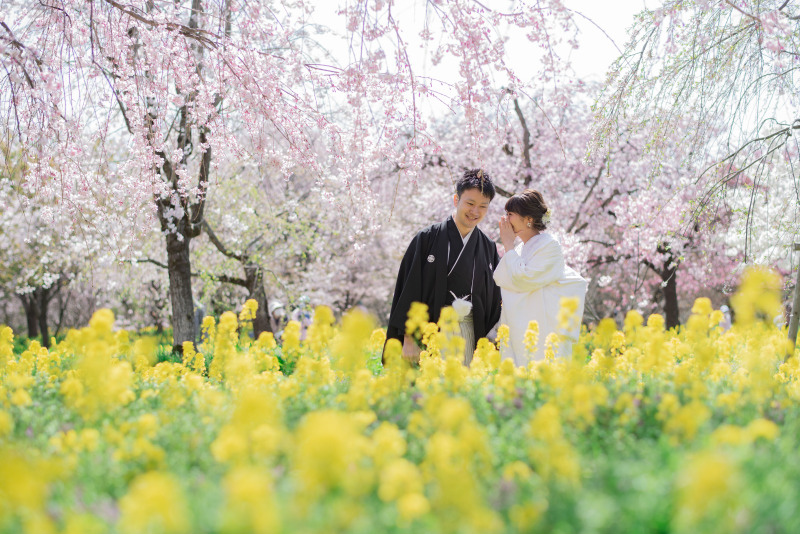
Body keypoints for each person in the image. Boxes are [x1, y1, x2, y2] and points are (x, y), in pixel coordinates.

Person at [386, 169, 503, 365]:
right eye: (470, 203)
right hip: (428, 333)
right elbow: (409, 289)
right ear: (456, 200)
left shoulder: (488, 247)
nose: (475, 211)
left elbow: (496, 298)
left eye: (483, 206)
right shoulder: (427, 238)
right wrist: (408, 339)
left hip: (469, 333)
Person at [494, 189, 587, 365]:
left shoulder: (549, 245)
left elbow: (524, 280)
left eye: (510, 214)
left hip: (544, 327)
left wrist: (508, 245)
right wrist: (510, 248)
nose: (505, 219)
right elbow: (503, 280)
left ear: (528, 219)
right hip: (523, 327)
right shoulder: (520, 249)